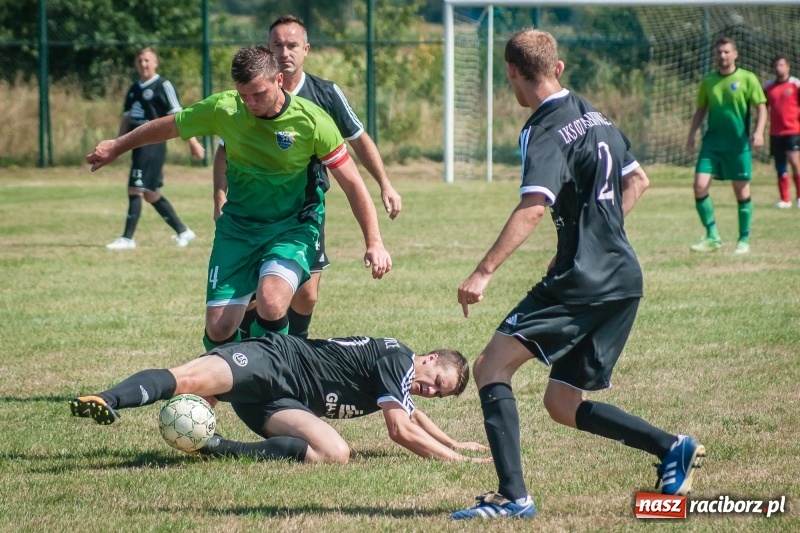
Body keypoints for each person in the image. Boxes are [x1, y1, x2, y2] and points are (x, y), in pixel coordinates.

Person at [450, 28, 705, 520]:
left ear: (512, 74)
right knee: (562, 402)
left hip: (583, 277)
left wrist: (482, 272)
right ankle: (671, 447)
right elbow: (639, 179)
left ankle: (513, 498)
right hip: (624, 277)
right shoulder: (596, 114)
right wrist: (596, 234)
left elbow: (532, 207)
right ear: (559, 68)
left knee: (490, 367)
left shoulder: (542, 129)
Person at [87, 46, 392, 350]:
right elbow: (170, 126)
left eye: (258, 94)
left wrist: (374, 241)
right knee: (219, 328)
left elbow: (353, 184)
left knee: (272, 303)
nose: (250, 103)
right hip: (238, 228)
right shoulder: (225, 107)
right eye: (244, 95)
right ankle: (236, 375)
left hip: (291, 227)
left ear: (279, 81)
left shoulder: (313, 122)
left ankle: (276, 370)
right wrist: (118, 145)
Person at [218, 14, 402, 339]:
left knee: (306, 295)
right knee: (261, 294)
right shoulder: (247, 97)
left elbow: (358, 138)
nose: (284, 52)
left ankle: (286, 347)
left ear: (306, 49)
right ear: (267, 50)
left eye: (291, 45)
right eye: (277, 45)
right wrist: (219, 198)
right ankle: (263, 355)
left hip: (303, 212)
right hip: (252, 213)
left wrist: (384, 183)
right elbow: (223, 152)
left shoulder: (325, 94)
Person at [70, 333, 491, 463]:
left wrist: (454, 442)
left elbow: (413, 416)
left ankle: (216, 448)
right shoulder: (396, 359)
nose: (430, 389)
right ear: (430, 358)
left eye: (439, 392)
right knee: (189, 380)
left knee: (334, 454)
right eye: (437, 379)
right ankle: (107, 399)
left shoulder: (401, 380)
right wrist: (456, 463)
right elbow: (400, 431)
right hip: (272, 361)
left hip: (280, 404)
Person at [106, 46, 205, 250]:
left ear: (156, 62)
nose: (144, 64)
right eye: (140, 60)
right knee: (151, 193)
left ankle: (127, 239)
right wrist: (115, 146)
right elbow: (127, 119)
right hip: (137, 145)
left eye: (147, 60)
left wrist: (193, 143)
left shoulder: (163, 85)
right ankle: (183, 231)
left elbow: (180, 117)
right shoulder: (134, 89)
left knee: (135, 188)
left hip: (153, 145)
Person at [686, 36, 767, 255]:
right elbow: (701, 109)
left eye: (726, 52)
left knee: (741, 193)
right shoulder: (708, 81)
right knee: (699, 186)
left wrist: (758, 132)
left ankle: (743, 240)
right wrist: (691, 134)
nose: (722, 56)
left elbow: (761, 107)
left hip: (738, 146)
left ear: (735, 54)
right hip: (711, 145)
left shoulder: (747, 79)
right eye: (719, 52)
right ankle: (712, 237)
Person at [763, 55, 800, 209]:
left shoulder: (795, 84)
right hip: (775, 132)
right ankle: (785, 199)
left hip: (793, 130)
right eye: (777, 65)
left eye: (782, 65)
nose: (779, 68)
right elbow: (762, 107)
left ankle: (799, 197)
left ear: (788, 67)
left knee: (794, 162)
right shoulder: (768, 87)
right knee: (780, 165)